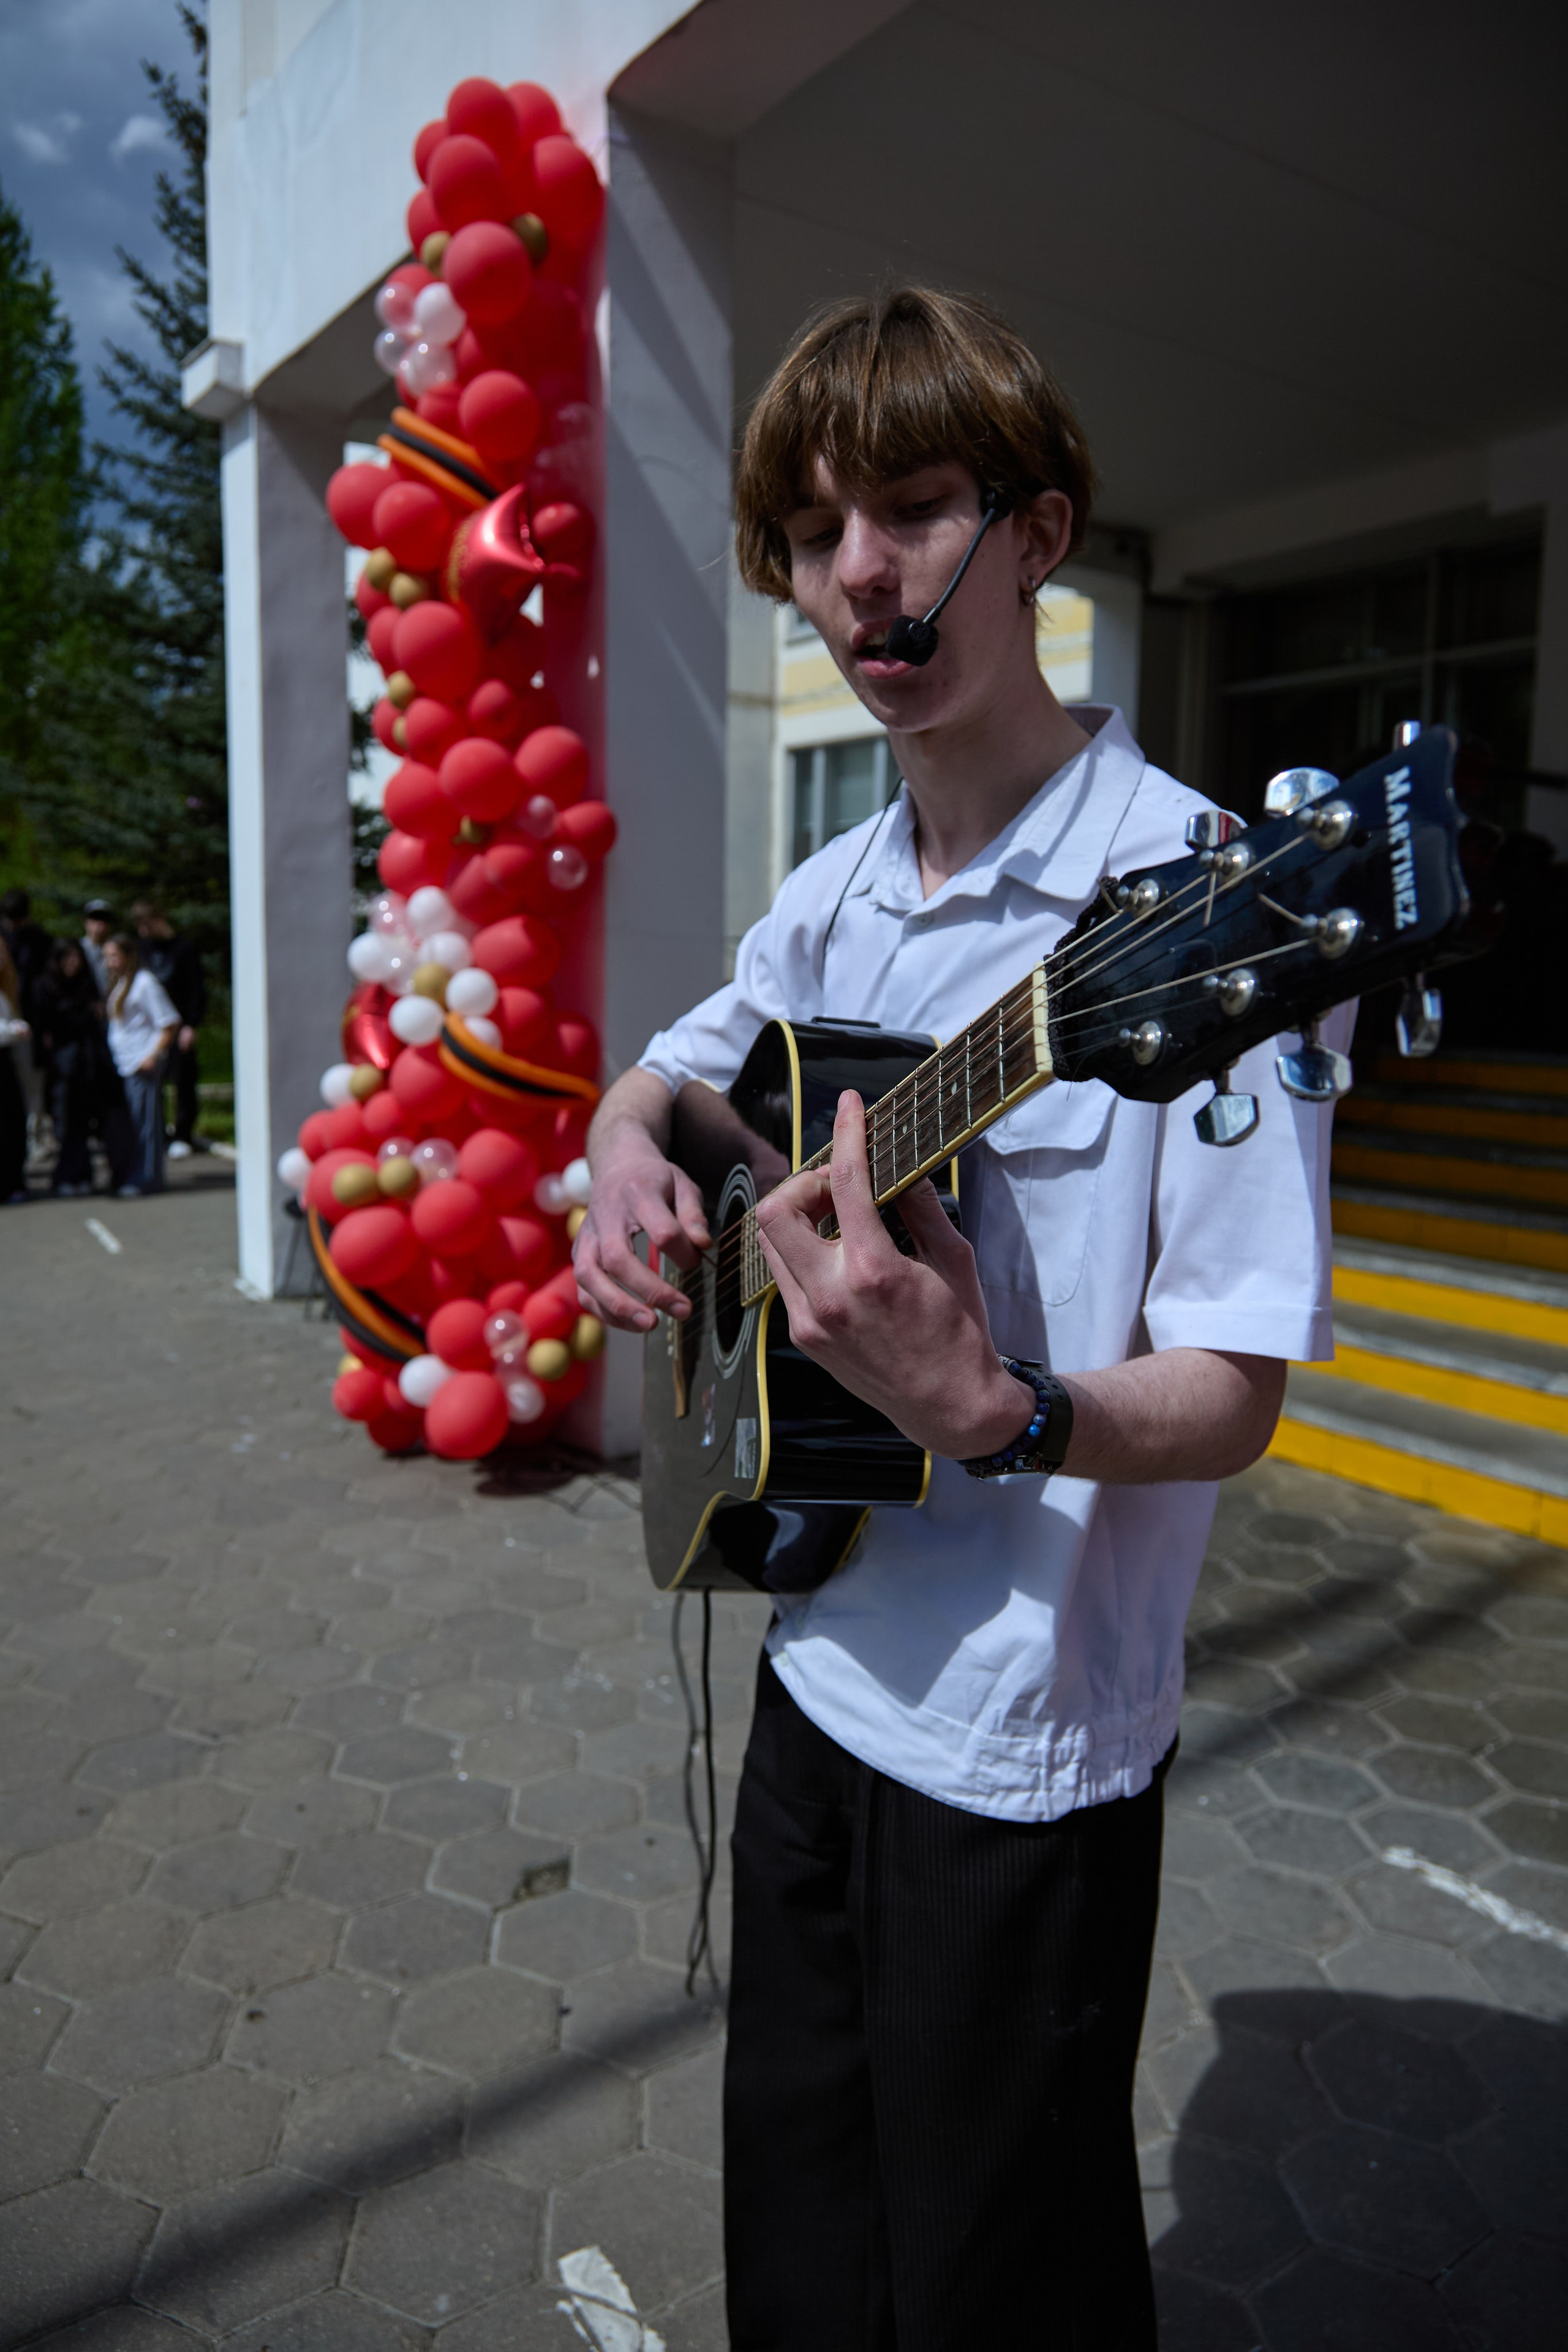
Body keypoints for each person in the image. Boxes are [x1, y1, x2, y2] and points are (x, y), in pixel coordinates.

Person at [573, 288, 1348, 2350]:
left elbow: (1240, 1395)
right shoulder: (835, 892)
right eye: (815, 533)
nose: (856, 575)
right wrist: (622, 1141)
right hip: (815, 1666)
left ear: (1039, 530)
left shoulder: (1200, 902)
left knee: (1008, 2288)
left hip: (1024, 1758)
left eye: (912, 507)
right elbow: (674, 1056)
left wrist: (1001, 1413)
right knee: (806, 2248)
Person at [31, 939, 124, 1196]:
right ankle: (66, 1175)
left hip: (88, 1068)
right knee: (66, 1124)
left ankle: (84, 1174)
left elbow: (92, 1019)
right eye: (67, 958)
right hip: (62, 1070)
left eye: (77, 957)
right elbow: (48, 1026)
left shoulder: (87, 986)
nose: (73, 963)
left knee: (84, 1124)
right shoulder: (45, 986)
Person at [101, 935, 178, 1198]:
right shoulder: (121, 983)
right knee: (133, 1124)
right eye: (106, 957)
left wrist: (153, 1054)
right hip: (125, 1064)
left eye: (114, 956)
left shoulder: (145, 983)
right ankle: (137, 1173)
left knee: (146, 1124)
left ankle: (148, 1177)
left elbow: (168, 1022)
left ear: (128, 955)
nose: (109, 962)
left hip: (141, 1063)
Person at [130, 901, 206, 1158]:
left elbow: (196, 989)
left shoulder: (184, 948)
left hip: (179, 1025)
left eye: (146, 924)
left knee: (183, 1080)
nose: (143, 931)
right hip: (151, 1029)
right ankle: (158, 1132)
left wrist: (191, 1024)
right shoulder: (143, 949)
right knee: (154, 1080)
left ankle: (183, 1133)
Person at [0, 937, 30, 1202]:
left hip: (6, 1063)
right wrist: (13, 1030)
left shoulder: (7, 987)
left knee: (13, 1123)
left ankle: (13, 1180)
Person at [80, 900, 113, 995]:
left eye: (104, 919)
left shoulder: (115, 950)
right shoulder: (78, 949)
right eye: (95, 919)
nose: (100, 924)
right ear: (86, 922)